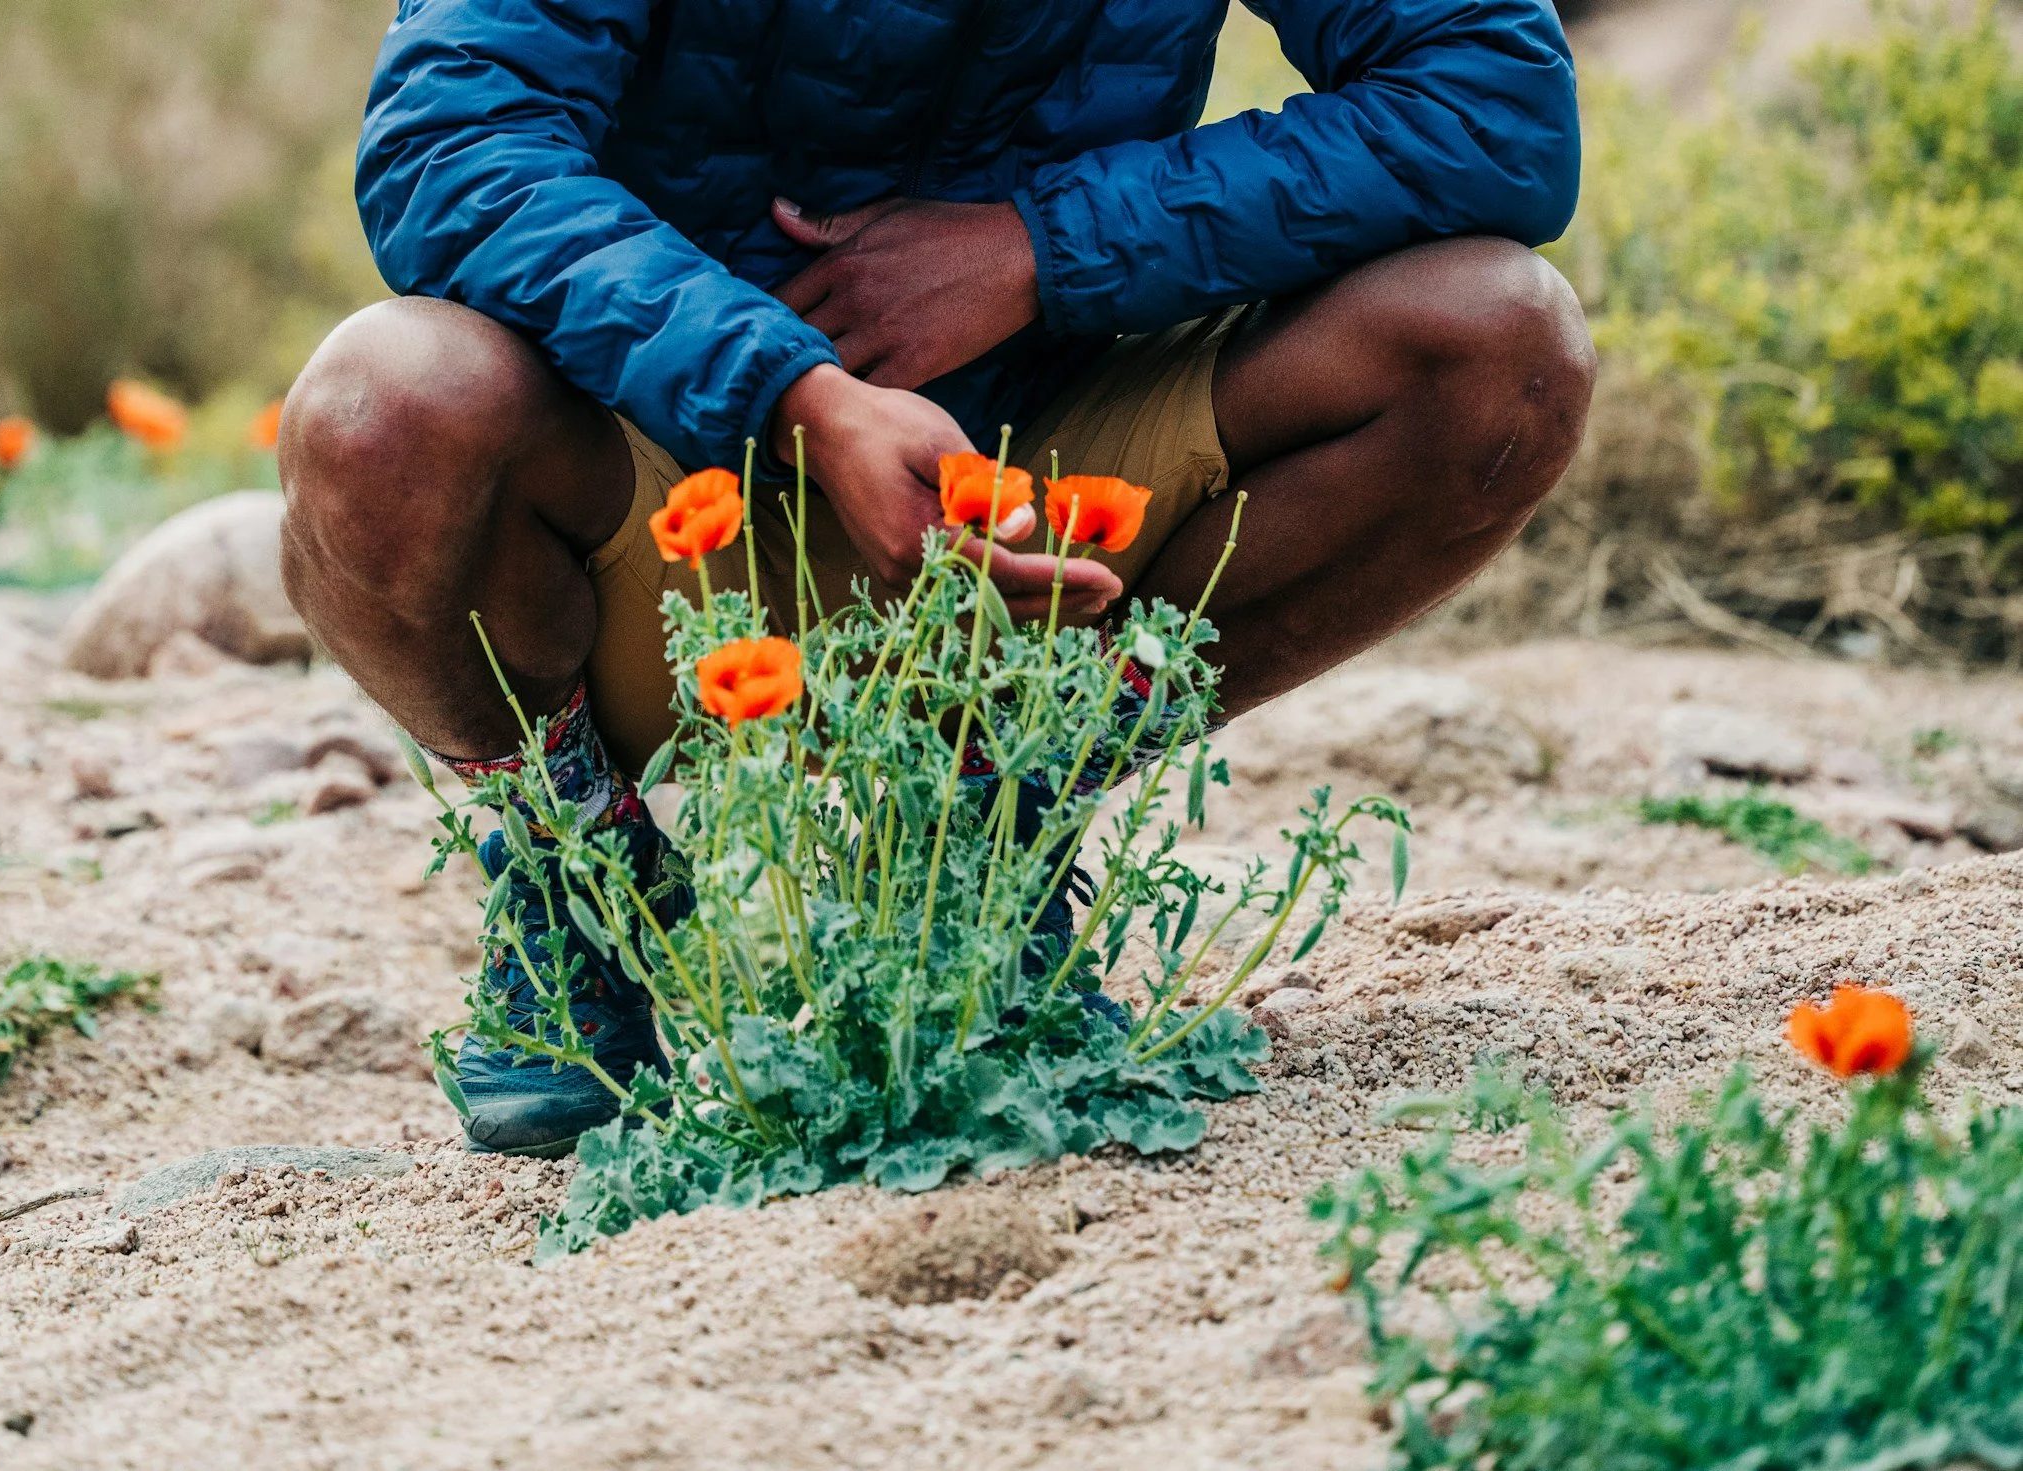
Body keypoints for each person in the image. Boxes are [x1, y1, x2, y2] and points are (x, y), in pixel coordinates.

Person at [278, 0, 1597, 1156]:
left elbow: (1494, 106)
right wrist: (791, 390)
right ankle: (586, 877)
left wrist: (1037, 248)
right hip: (665, 496)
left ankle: (986, 828)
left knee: (1500, 342)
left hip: (1044, 508)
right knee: (378, 410)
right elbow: (449, 145)